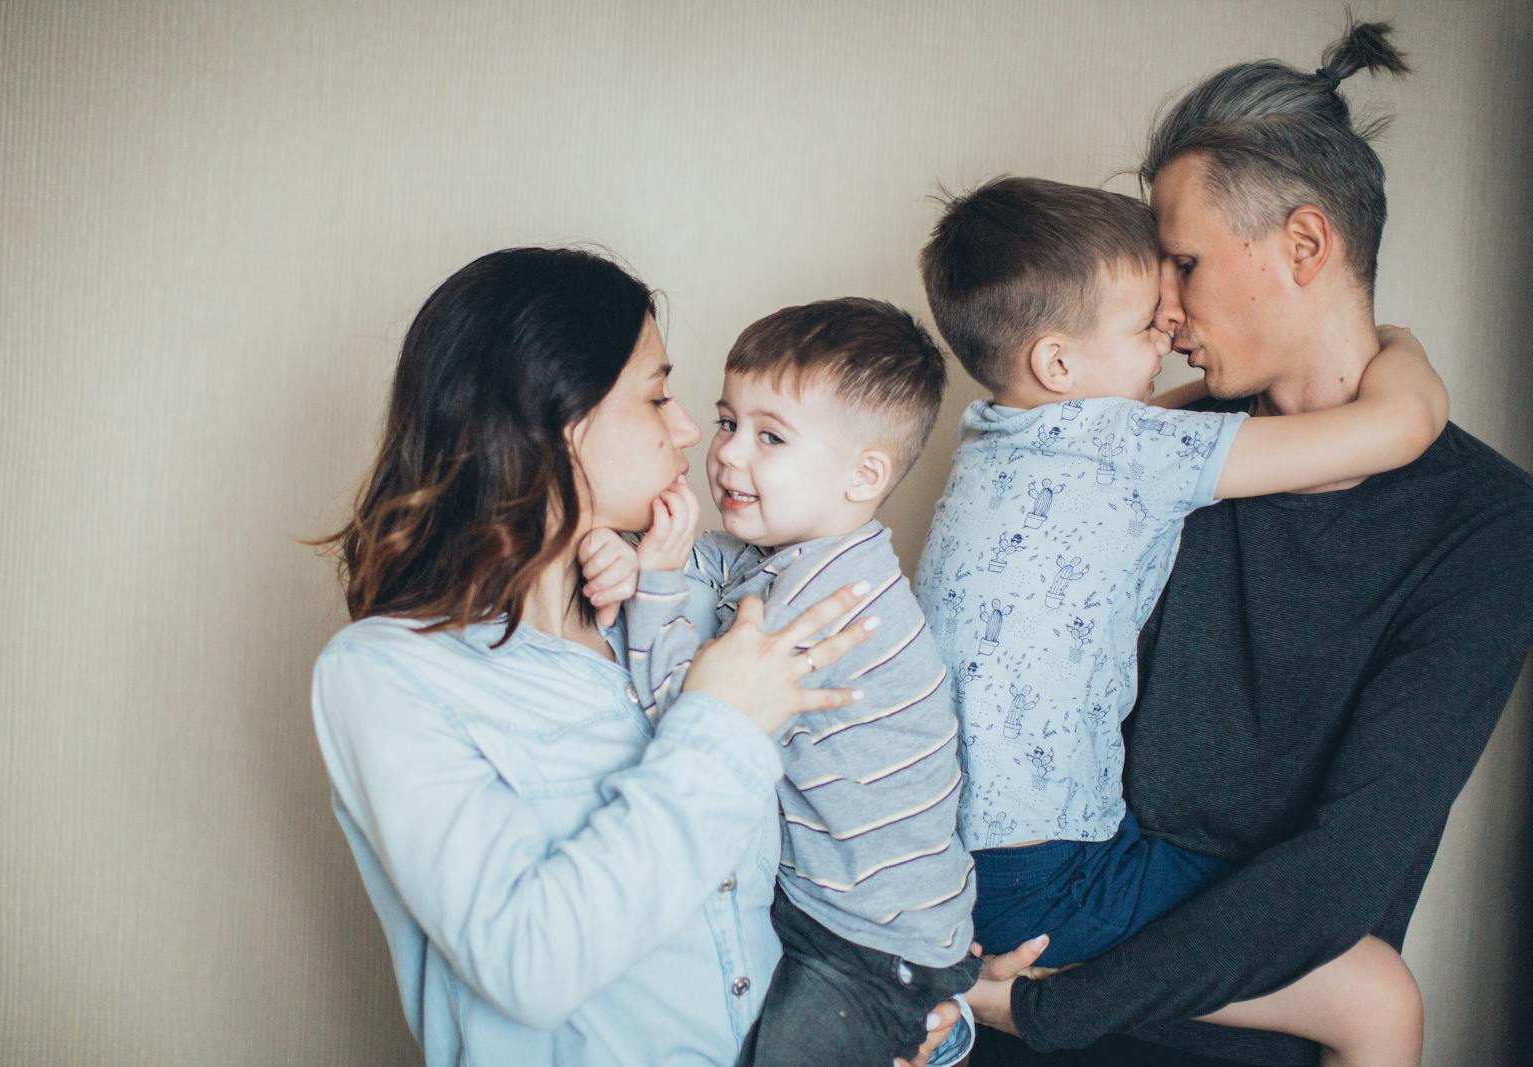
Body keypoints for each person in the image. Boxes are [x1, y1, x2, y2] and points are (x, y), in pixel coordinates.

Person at [955, 20, 1533, 1066]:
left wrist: (1054, 1005)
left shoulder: (1485, 524)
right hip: (1025, 975)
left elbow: (1341, 874)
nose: (1160, 310)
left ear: (1304, 245)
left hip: (1186, 1009)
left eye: (1180, 262)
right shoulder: (1157, 460)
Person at [308, 247, 990, 1066]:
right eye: (660, 394)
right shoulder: (389, 675)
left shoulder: (688, 605)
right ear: (559, 418)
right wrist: (721, 723)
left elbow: (804, 877)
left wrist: (930, 1009)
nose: (693, 430)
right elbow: (529, 962)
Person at [914, 174, 1442, 1066]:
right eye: (1145, 325)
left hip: (949, 859)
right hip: (1046, 876)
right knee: (1378, 996)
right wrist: (1400, 340)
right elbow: (1396, 429)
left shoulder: (997, 437)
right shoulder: (1127, 453)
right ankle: (1012, 999)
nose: (1170, 333)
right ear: (1057, 364)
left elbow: (1148, 420)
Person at [581, 298, 981, 1065]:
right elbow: (711, 561)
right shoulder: (800, 555)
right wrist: (643, 555)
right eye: (728, 421)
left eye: (770, 436)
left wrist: (655, 583)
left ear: (865, 473)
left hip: (866, 943)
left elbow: (694, 716)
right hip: (849, 910)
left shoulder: (823, 609)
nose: (728, 454)